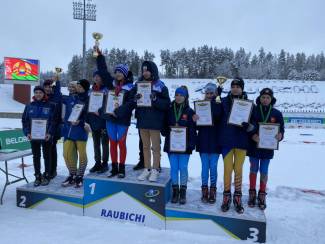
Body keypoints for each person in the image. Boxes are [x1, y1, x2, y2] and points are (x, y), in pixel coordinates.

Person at [96, 48, 135, 178]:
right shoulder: (111, 84)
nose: (118, 74)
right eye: (117, 72)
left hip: (122, 119)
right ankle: (114, 168)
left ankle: (122, 168)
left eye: (120, 72)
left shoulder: (130, 88)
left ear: (125, 74)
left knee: (121, 143)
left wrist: (117, 112)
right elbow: (103, 71)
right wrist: (100, 56)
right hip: (110, 119)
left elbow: (131, 104)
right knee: (112, 143)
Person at [218, 77, 255, 214]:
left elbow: (255, 122)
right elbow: (215, 116)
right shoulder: (223, 101)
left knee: (238, 170)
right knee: (228, 170)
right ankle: (226, 196)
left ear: (242, 88)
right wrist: (216, 96)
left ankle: (237, 197)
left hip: (241, 142)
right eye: (233, 86)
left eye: (237, 86)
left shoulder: (249, 104)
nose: (235, 88)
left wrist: (250, 126)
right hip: (227, 142)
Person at [247, 88, 284, 210]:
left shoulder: (277, 113)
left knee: (264, 171)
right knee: (253, 170)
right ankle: (252, 193)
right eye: (263, 97)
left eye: (268, 98)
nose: (265, 99)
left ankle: (262, 194)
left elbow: (282, 130)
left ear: (271, 99)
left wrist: (280, 136)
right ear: (260, 98)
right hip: (254, 147)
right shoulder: (253, 110)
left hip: (268, 149)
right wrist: (253, 134)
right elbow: (249, 125)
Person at [134, 61, 171, 182]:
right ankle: (147, 168)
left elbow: (166, 104)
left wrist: (155, 99)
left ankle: (155, 169)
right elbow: (133, 101)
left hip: (155, 122)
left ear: (153, 71)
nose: (145, 73)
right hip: (143, 121)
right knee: (145, 147)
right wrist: (136, 99)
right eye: (143, 71)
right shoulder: (138, 85)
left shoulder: (160, 86)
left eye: (147, 70)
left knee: (155, 147)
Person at [164, 86, 196, 204]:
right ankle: (175, 191)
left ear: (185, 97)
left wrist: (192, 144)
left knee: (182, 167)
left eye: (181, 95)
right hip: (172, 145)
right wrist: (166, 131)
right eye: (177, 95)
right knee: (174, 168)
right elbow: (164, 124)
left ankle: (183, 192)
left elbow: (193, 130)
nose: (178, 97)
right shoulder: (169, 109)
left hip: (185, 146)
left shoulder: (190, 111)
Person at [193, 83, 222, 204]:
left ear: (215, 93)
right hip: (203, 141)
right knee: (204, 167)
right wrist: (194, 120)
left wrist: (215, 101)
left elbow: (218, 116)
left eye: (212, 93)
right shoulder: (200, 105)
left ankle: (213, 190)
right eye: (207, 93)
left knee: (213, 167)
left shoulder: (219, 105)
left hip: (216, 141)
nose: (209, 95)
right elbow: (196, 126)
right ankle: (204, 189)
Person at [22, 86, 56, 186]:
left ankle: (47, 175)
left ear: (44, 94)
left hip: (46, 136)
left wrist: (49, 133)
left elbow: (53, 121)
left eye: (40, 92)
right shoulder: (29, 105)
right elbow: (25, 120)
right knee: (36, 156)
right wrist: (27, 132)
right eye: (36, 92)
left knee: (47, 156)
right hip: (34, 136)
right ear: (34, 94)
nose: (38, 94)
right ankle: (37, 176)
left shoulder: (50, 105)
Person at [61, 79, 90, 188]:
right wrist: (58, 82)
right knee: (67, 154)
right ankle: (72, 174)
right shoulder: (72, 97)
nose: (77, 88)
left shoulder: (88, 99)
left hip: (80, 131)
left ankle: (80, 176)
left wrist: (81, 122)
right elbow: (59, 97)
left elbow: (90, 115)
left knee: (82, 155)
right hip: (69, 132)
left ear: (84, 88)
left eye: (79, 86)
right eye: (76, 86)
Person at [87, 71, 109, 174]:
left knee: (104, 143)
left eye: (98, 76)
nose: (96, 78)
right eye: (95, 76)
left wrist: (100, 111)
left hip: (103, 121)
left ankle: (105, 164)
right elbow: (88, 105)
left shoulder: (106, 90)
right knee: (96, 144)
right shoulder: (90, 91)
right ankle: (97, 163)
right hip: (93, 121)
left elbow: (108, 104)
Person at [42, 75, 62, 179]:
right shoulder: (42, 97)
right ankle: (48, 170)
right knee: (46, 150)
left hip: (54, 128)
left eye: (50, 87)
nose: (48, 88)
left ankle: (52, 170)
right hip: (43, 129)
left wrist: (57, 81)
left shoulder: (56, 96)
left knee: (52, 149)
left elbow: (58, 90)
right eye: (46, 86)